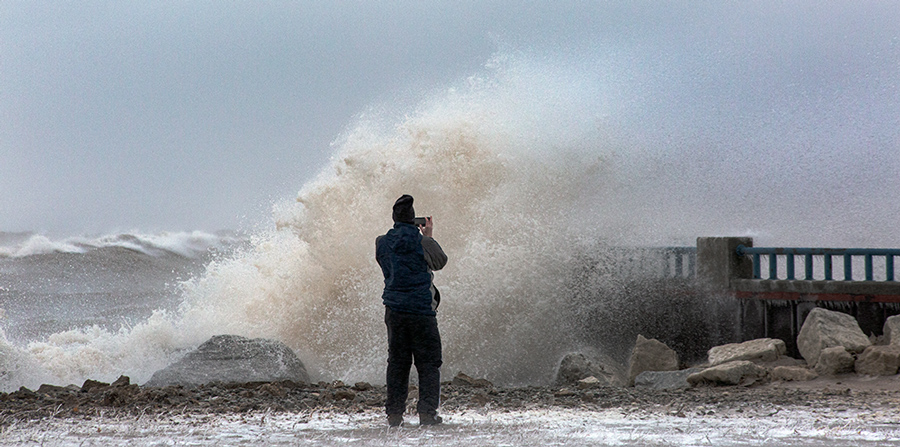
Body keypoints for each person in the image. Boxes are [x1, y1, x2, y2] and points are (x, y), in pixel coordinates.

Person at [375, 194, 448, 427]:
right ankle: (427, 414)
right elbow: (440, 262)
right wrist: (428, 237)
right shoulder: (422, 242)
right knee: (428, 363)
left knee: (397, 363)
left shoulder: (382, 242)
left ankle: (394, 415)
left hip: (394, 311)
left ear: (394, 218)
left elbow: (387, 265)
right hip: (421, 311)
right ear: (413, 220)